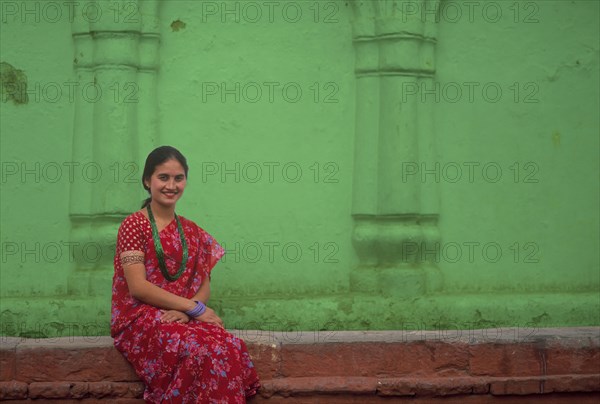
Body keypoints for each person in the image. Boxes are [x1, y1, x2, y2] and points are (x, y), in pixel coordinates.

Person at [111, 146, 260, 403]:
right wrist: (194, 309)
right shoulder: (133, 225)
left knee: (228, 345)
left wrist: (188, 310)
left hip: (182, 314)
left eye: (178, 178)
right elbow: (137, 287)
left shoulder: (191, 230)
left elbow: (204, 284)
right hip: (140, 316)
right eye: (163, 177)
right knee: (200, 349)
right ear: (147, 181)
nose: (171, 185)